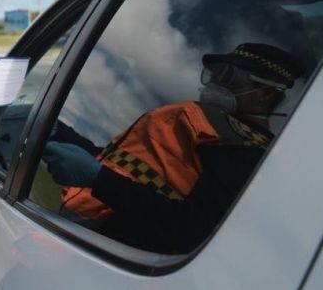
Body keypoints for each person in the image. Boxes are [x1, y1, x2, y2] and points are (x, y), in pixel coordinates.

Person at [42, 43, 304, 253]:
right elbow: (129, 164)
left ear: (265, 94)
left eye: (229, 77)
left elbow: (189, 230)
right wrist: (60, 134)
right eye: (214, 73)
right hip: (90, 240)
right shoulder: (213, 127)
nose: (213, 83)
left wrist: (98, 178)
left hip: (121, 259)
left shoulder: (244, 150)